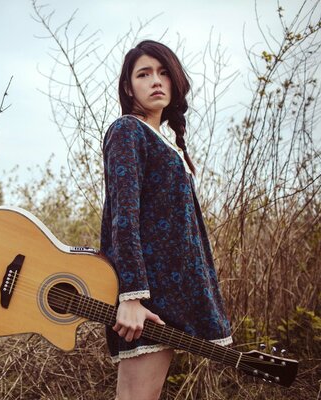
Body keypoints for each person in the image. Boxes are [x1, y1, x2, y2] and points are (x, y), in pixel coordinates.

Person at [100, 40, 233, 400]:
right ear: (129, 87)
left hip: (166, 298)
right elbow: (123, 217)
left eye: (163, 73)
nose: (155, 81)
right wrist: (130, 296)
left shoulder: (164, 141)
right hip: (146, 300)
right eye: (144, 74)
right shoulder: (128, 130)